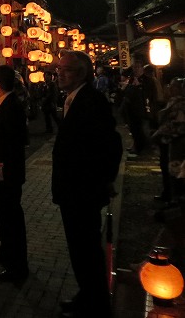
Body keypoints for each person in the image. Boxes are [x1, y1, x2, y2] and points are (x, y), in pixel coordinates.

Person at [52, 51, 122, 318]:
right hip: (76, 191)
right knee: (81, 250)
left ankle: (94, 304)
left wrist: (103, 180)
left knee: (87, 251)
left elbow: (109, 146)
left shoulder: (91, 101)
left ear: (82, 73)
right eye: (59, 68)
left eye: (66, 69)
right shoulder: (75, 98)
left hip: (82, 192)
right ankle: (87, 295)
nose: (59, 73)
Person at [0, 64, 29, 282]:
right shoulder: (5, 102)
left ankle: (16, 265)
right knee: (5, 214)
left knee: (10, 216)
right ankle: (6, 253)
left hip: (7, 170)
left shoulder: (11, 105)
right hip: (2, 168)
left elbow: (13, 140)